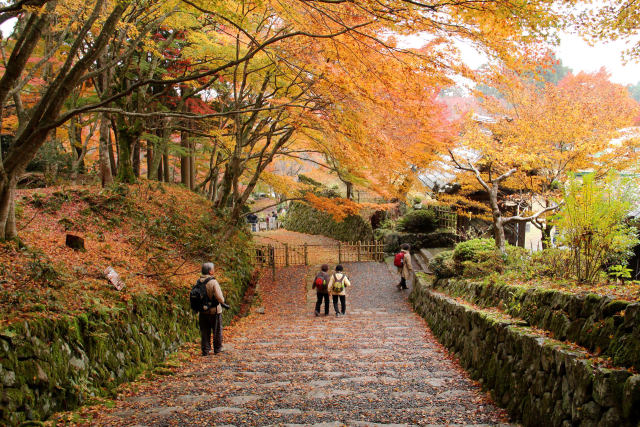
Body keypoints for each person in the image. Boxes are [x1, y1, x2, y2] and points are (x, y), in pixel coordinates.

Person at [197, 262, 225, 356]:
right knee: (217, 330)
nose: (214, 270)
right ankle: (217, 349)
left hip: (202, 311)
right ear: (210, 271)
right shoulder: (213, 282)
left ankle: (205, 350)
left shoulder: (198, 281)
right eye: (213, 269)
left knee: (205, 331)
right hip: (214, 311)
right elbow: (220, 298)